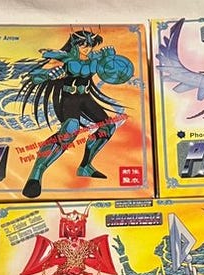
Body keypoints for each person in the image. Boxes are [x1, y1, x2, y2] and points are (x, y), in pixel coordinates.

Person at [19, 29, 133, 198]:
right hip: (69, 100)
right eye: (83, 45)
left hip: (86, 99)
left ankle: (85, 166)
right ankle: (36, 173)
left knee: (108, 127)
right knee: (69, 132)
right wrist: (48, 75)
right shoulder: (63, 58)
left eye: (90, 44)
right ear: (74, 44)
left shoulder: (95, 57)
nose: (87, 48)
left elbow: (114, 72)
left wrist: (109, 57)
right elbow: (35, 76)